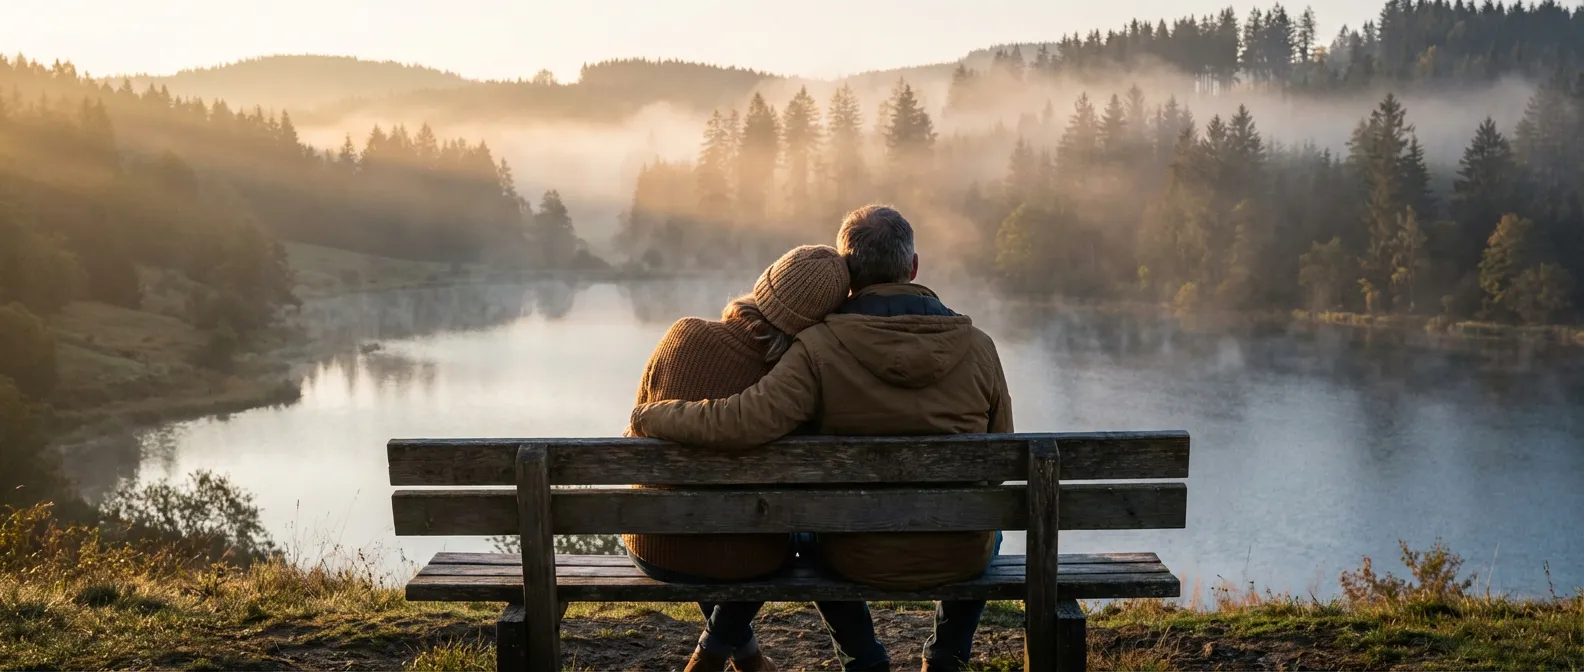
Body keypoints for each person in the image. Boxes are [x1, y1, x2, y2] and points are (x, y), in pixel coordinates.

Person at [629, 205, 1013, 672]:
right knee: (987, 527)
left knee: (807, 529)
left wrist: (652, 415)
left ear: (849, 279)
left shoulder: (818, 348)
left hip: (854, 555)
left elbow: (743, 422)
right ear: (913, 267)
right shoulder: (980, 347)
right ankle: (945, 656)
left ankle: (863, 658)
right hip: (959, 553)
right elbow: (999, 465)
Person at [623, 244, 887, 672]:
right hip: (744, 560)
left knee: (719, 526)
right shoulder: (794, 384)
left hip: (653, 545)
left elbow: (637, 435)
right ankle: (865, 658)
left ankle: (748, 659)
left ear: (764, 285)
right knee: (797, 538)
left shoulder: (681, 334)